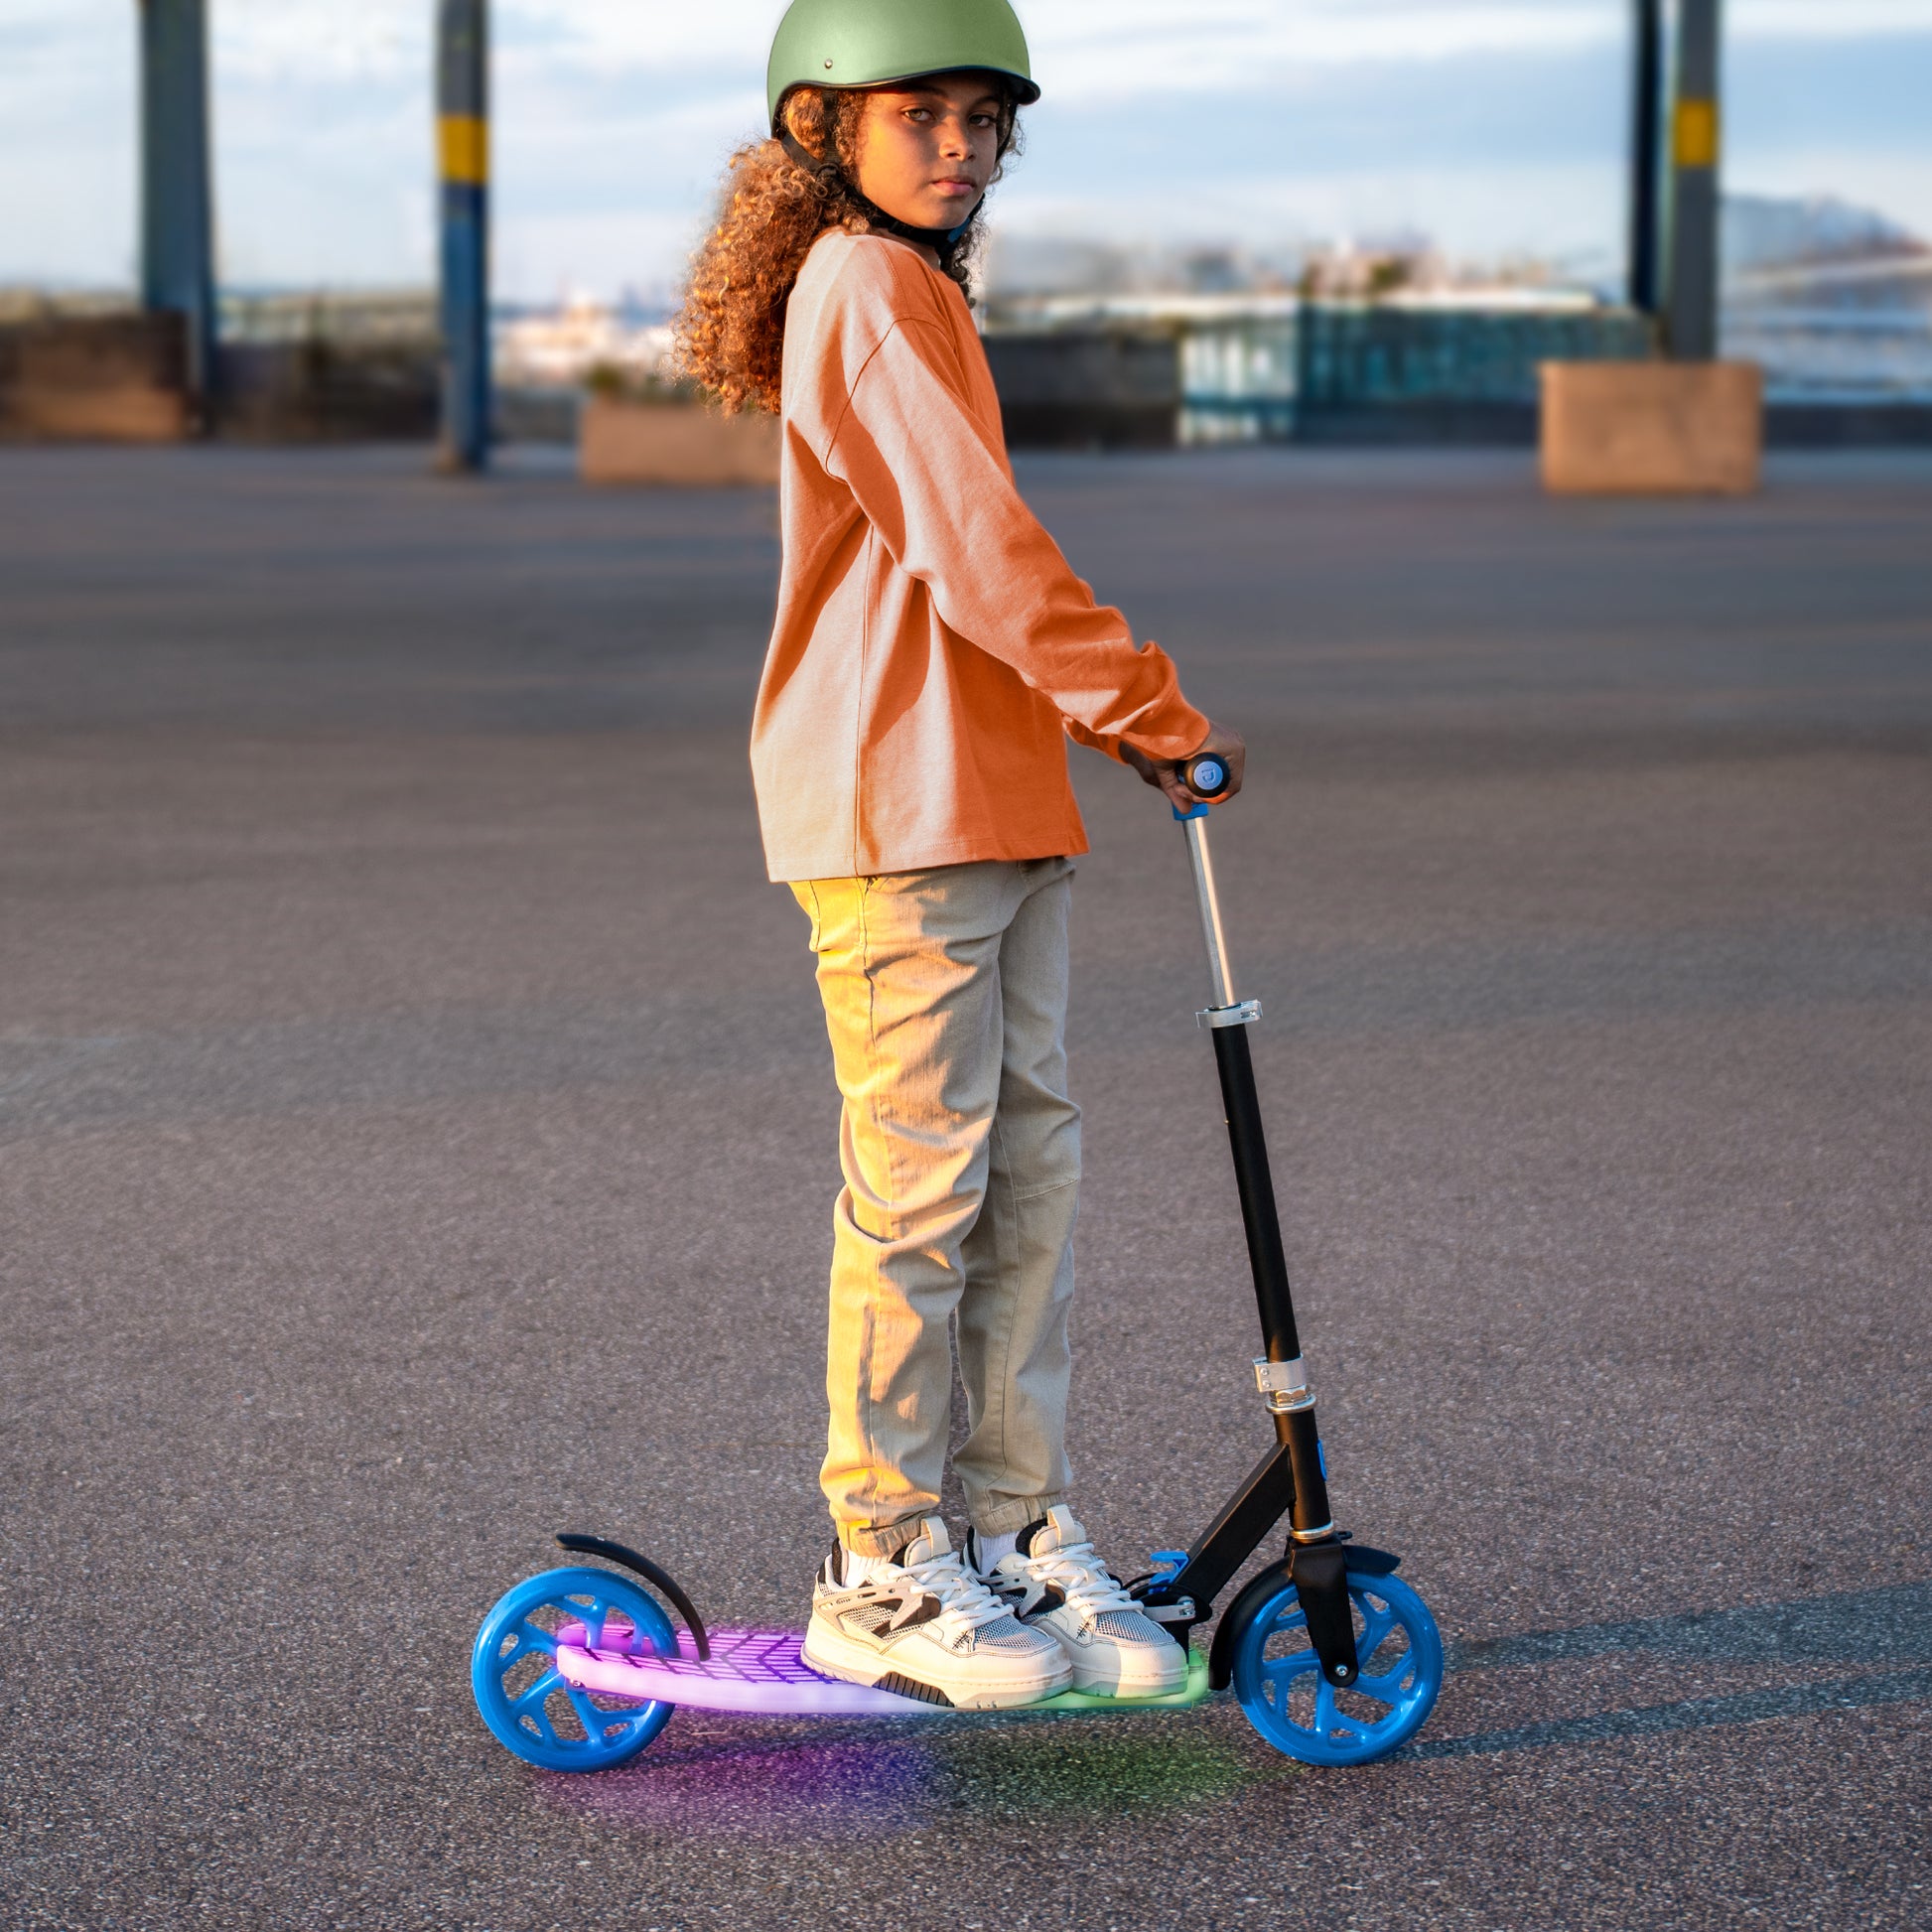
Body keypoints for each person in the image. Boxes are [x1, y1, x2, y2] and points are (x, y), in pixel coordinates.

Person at [675, 0, 1244, 1712]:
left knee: (1028, 1184)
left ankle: (1005, 1525)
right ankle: (879, 1563)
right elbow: (973, 546)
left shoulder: (919, 290)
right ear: (821, 128)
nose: (955, 143)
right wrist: (1142, 700)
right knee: (924, 1189)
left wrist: (1089, 734)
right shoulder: (855, 286)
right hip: (892, 802)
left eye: (982, 118)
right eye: (918, 111)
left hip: (993, 798)